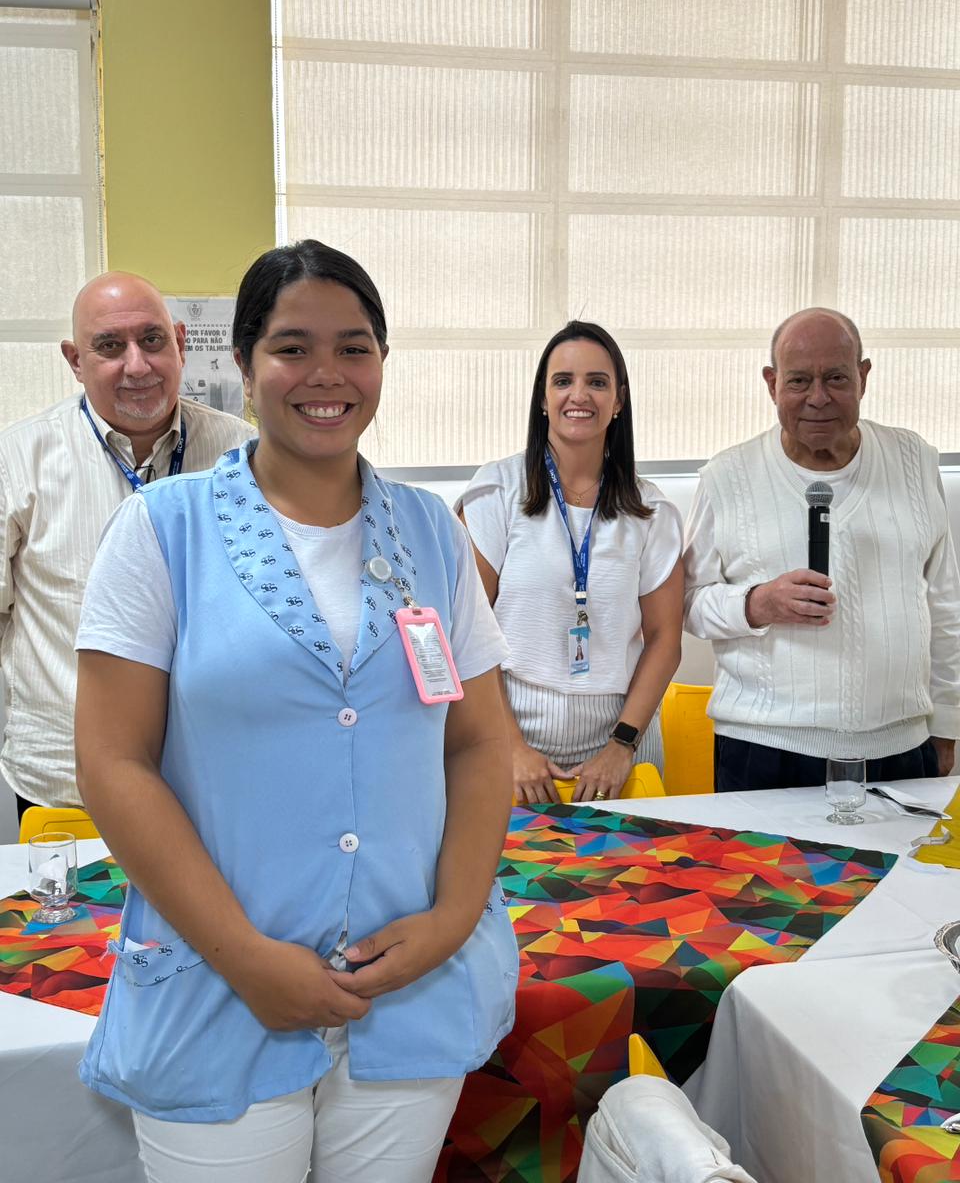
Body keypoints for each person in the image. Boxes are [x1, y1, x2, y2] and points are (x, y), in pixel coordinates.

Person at [73, 241, 518, 1183]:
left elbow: (480, 742)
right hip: (221, 988)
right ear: (243, 364)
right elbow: (113, 764)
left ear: (383, 363)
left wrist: (450, 920)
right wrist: (245, 958)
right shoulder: (162, 530)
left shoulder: (433, 533)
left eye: (355, 348)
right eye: (292, 348)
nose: (327, 375)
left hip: (406, 986)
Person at [0, 272, 255, 818]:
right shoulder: (17, 460)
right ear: (75, 360)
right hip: (68, 782)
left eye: (152, 340)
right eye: (110, 347)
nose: (137, 366)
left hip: (209, 779)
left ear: (181, 343)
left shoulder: (244, 456)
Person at [683, 306, 960, 792]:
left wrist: (947, 723)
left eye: (835, 378)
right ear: (772, 384)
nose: (818, 397)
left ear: (863, 377)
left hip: (902, 746)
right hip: (764, 750)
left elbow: (945, 603)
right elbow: (688, 603)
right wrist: (756, 603)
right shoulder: (726, 476)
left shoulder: (915, 461)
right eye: (798, 381)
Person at [460, 321, 683, 805]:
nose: (578, 395)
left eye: (597, 382)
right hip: (509, 742)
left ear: (619, 400)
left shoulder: (652, 511)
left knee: (632, 860)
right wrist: (510, 744)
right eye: (563, 381)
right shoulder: (496, 492)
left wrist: (622, 746)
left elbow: (665, 639)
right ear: (543, 398)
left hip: (623, 747)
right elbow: (468, 630)